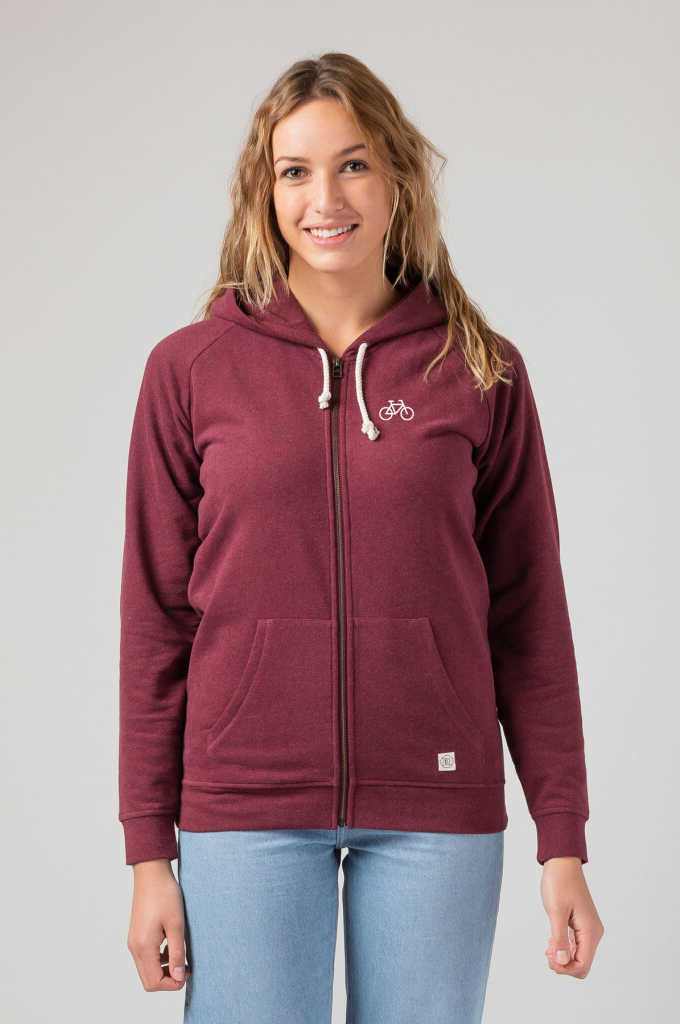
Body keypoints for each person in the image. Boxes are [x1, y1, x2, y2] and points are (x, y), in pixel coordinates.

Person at [119, 51, 604, 1023]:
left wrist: (562, 841)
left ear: (397, 179)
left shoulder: (479, 369)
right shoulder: (191, 370)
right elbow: (156, 620)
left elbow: (527, 615)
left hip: (436, 806)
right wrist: (147, 855)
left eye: (352, 164)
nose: (325, 198)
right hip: (244, 803)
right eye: (294, 171)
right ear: (264, 194)